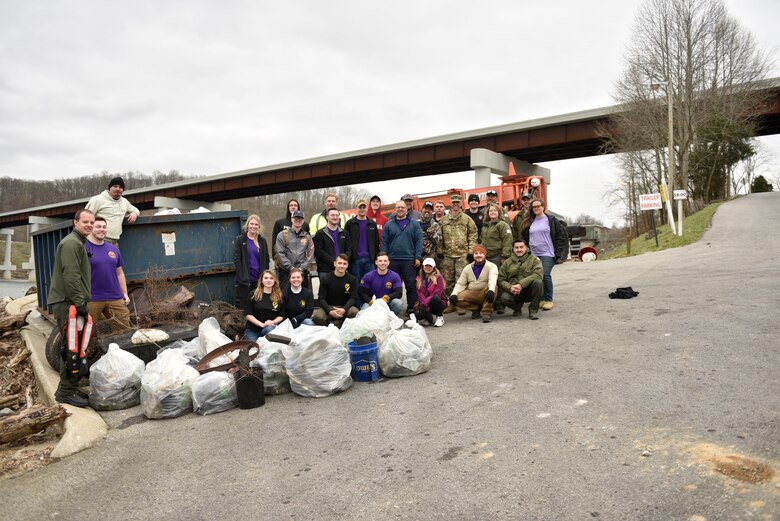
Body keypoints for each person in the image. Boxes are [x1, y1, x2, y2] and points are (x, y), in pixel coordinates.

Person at [47, 209, 94, 407]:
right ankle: (66, 392)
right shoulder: (71, 244)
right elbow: (71, 276)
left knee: (73, 345)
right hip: (68, 302)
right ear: (75, 222)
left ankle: (70, 388)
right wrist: (79, 302)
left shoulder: (78, 243)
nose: (89, 225)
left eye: (92, 222)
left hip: (71, 301)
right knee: (71, 348)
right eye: (85, 222)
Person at [518, 198, 568, 311]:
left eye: (538, 206)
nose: (536, 208)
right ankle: (540, 298)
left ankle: (548, 299)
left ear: (543, 207)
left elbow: (560, 236)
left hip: (547, 253)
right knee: (537, 277)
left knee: (545, 275)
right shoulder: (529, 221)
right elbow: (524, 237)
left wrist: (558, 252)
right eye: (534, 207)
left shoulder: (551, 220)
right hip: (533, 254)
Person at [85, 217, 131, 332]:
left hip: (115, 297)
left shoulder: (113, 249)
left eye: (104, 227)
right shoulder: (83, 248)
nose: (102, 229)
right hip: (92, 299)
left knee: (123, 330)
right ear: (91, 229)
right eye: (98, 227)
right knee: (87, 333)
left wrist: (124, 293)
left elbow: (120, 273)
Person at [381, 200, 423, 313]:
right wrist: (384, 258)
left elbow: (419, 241)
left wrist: (417, 257)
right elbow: (384, 241)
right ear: (395, 209)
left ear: (406, 209)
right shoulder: (389, 224)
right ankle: (394, 308)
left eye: (402, 207)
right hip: (392, 260)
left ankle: (411, 308)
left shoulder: (414, 224)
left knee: (410, 285)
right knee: (392, 285)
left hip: (409, 260)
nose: (400, 209)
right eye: (398, 207)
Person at [439, 194, 478, 309]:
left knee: (461, 280)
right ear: (450, 204)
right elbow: (439, 236)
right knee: (448, 281)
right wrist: (439, 250)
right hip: (447, 255)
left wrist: (471, 251)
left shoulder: (467, 219)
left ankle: (461, 304)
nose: (455, 205)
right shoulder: (444, 220)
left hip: (462, 255)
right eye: (453, 202)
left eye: (457, 202)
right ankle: (451, 304)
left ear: (461, 204)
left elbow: (473, 235)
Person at [448, 244, 498, 323]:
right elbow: (461, 283)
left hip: (484, 292)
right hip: (472, 292)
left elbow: (493, 279)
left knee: (493, 288)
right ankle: (476, 309)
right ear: (473, 255)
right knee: (455, 299)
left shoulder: (491, 266)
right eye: (476, 253)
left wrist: (491, 290)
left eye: (481, 253)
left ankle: (487, 312)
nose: (478, 255)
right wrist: (453, 294)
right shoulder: (467, 268)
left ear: (485, 254)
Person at [344, 198, 380, 307]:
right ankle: (357, 307)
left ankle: (368, 306)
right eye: (360, 207)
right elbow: (346, 241)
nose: (362, 209)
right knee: (356, 285)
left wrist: (376, 258)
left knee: (369, 284)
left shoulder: (372, 224)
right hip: (355, 260)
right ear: (356, 208)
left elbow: (376, 242)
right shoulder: (350, 223)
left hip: (369, 260)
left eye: (364, 207)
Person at [497, 239, 544, 320]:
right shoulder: (506, 263)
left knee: (539, 283)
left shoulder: (534, 260)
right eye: (517, 248)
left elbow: (538, 274)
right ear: (513, 249)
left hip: (529, 290)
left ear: (526, 248)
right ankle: (517, 308)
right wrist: (510, 287)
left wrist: (521, 284)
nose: (519, 250)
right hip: (514, 291)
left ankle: (533, 310)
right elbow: (500, 279)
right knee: (504, 298)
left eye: (521, 247)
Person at [480, 203, 514, 314]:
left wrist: (505, 256)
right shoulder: (485, 226)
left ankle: (500, 304)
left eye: (495, 210)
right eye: (491, 211)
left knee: (498, 280)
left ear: (499, 212)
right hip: (486, 257)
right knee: (488, 280)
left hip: (498, 256)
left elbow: (507, 241)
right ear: (488, 213)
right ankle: (491, 303)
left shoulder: (502, 225)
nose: (493, 212)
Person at [85, 177, 139, 244]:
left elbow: (135, 209)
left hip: (114, 241)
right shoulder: (97, 199)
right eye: (115, 186)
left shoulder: (124, 202)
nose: (118, 189)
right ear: (109, 188)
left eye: (120, 187)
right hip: (97, 240)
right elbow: (84, 217)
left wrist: (134, 213)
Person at [233, 214, 270, 310]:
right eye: (251, 223)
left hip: (258, 280)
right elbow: (237, 259)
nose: (253, 226)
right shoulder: (240, 240)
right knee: (246, 306)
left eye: (256, 224)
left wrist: (264, 277)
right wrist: (242, 277)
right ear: (247, 224)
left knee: (258, 305)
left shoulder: (262, 241)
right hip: (245, 280)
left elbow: (266, 259)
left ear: (259, 226)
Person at [312, 254, 358, 327]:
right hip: (329, 307)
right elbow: (321, 298)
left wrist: (344, 309)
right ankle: (329, 327)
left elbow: (353, 298)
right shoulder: (325, 278)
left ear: (347, 265)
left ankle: (340, 324)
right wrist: (329, 311)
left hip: (344, 307)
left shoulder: (352, 279)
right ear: (335, 264)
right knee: (317, 317)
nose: (342, 266)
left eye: (344, 264)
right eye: (340, 263)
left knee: (355, 312)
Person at [275, 210, 315, 289]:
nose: (298, 220)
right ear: (291, 219)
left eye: (300, 218)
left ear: (303, 221)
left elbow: (311, 254)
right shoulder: (282, 235)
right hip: (286, 272)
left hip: (302, 272)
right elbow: (280, 253)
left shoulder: (307, 237)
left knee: (303, 296)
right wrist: (291, 268)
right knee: (285, 296)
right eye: (296, 218)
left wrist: (301, 268)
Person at [243, 270, 285, 341]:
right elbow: (248, 315)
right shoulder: (253, 295)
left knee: (270, 330)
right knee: (253, 349)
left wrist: (273, 322)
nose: (268, 280)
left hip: (269, 329)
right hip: (253, 330)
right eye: (266, 278)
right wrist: (262, 324)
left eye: (271, 278)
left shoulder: (279, 296)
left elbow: (281, 316)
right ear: (261, 280)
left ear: (275, 281)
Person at [313, 208, 351, 280]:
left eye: (337, 215)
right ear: (327, 217)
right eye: (332, 215)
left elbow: (349, 249)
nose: (335, 217)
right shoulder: (320, 234)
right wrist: (334, 262)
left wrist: (342, 262)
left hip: (342, 269)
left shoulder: (344, 233)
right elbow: (319, 252)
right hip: (325, 270)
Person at [415, 257, 445, 327]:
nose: (428, 268)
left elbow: (437, 293)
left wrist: (424, 304)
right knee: (418, 315)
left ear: (434, 267)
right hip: (424, 303)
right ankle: (427, 318)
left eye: (430, 266)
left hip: (436, 303)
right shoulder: (418, 278)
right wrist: (425, 308)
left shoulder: (438, 277)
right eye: (426, 266)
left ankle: (440, 317)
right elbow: (419, 294)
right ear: (423, 266)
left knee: (435, 298)